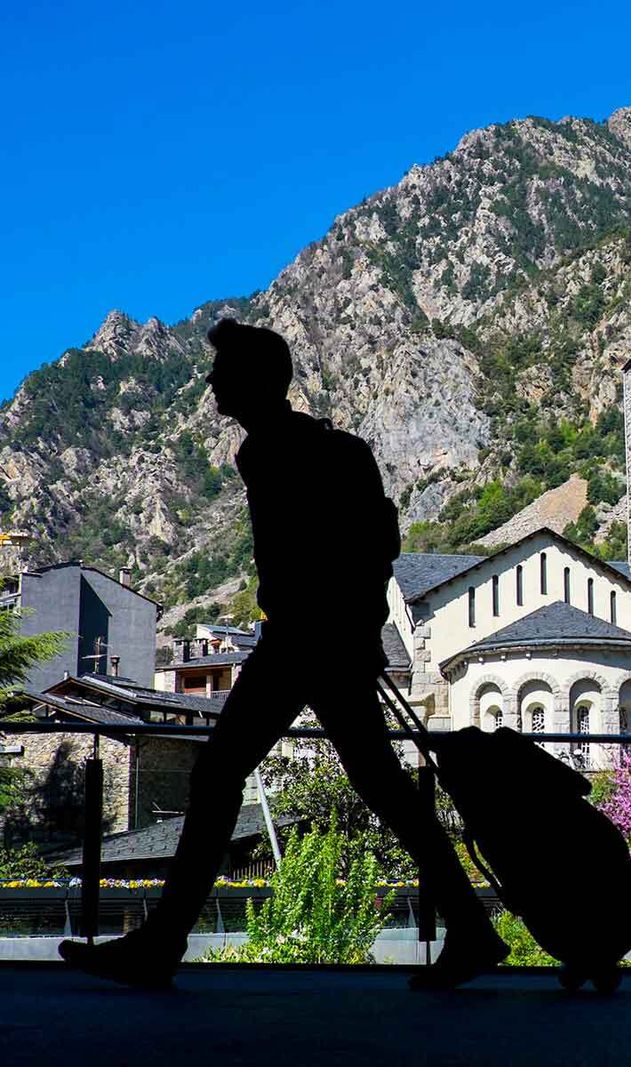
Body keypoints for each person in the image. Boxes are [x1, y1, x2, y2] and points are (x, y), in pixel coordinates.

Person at [60, 319, 508, 990]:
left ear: (257, 380)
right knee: (377, 785)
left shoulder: (278, 453)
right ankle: (471, 925)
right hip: (323, 641)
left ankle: (162, 943)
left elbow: (341, 556)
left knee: (224, 774)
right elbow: (375, 549)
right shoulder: (306, 450)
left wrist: (341, 628)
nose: (211, 381)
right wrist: (358, 631)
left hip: (304, 642)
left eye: (224, 370)